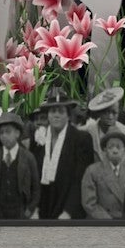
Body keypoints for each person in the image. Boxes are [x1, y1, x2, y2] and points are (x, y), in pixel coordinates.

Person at [34, 88, 96, 220]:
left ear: (68, 116)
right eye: (53, 111)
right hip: (44, 204)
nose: (56, 115)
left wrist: (69, 212)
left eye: (61, 111)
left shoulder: (81, 139)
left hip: (68, 205)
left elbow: (81, 180)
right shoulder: (40, 138)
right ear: (48, 115)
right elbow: (35, 177)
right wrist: (35, 209)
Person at [0, 109, 40, 219]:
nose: (4, 136)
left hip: (20, 211)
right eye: (1, 132)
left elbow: (36, 187)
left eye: (8, 132)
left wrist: (30, 209)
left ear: (17, 133)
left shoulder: (28, 157)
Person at [81, 128, 125, 219]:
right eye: (111, 147)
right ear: (105, 149)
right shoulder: (92, 171)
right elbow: (89, 203)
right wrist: (109, 222)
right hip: (101, 222)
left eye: (118, 147)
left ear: (124, 150)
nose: (115, 150)